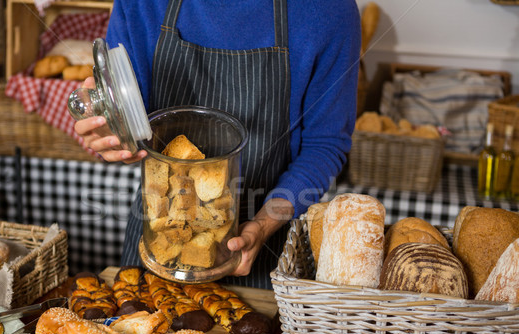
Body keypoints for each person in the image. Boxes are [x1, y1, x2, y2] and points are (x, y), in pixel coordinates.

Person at [73, 0, 361, 289]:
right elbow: (129, 121)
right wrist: (109, 134)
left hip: (261, 250)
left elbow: (325, 144)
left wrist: (263, 225)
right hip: (158, 236)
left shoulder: (327, 10)